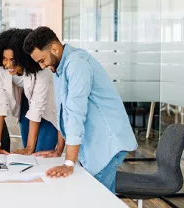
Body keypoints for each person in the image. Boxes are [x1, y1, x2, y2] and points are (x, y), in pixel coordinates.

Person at [23, 26, 138, 193]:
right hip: (93, 144)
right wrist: (59, 150)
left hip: (107, 143)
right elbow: (64, 112)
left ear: (54, 49)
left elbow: (76, 113)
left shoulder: (77, 63)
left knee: (94, 198)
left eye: (42, 60)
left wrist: (68, 163)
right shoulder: (59, 68)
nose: (42, 66)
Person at [0, 28, 60, 155]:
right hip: (25, 103)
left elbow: (37, 107)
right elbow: (0, 103)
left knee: (39, 153)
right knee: (28, 154)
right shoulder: (0, 68)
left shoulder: (42, 69)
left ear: (23, 58)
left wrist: (29, 147)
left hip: (48, 107)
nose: (8, 64)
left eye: (13, 60)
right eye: (5, 59)